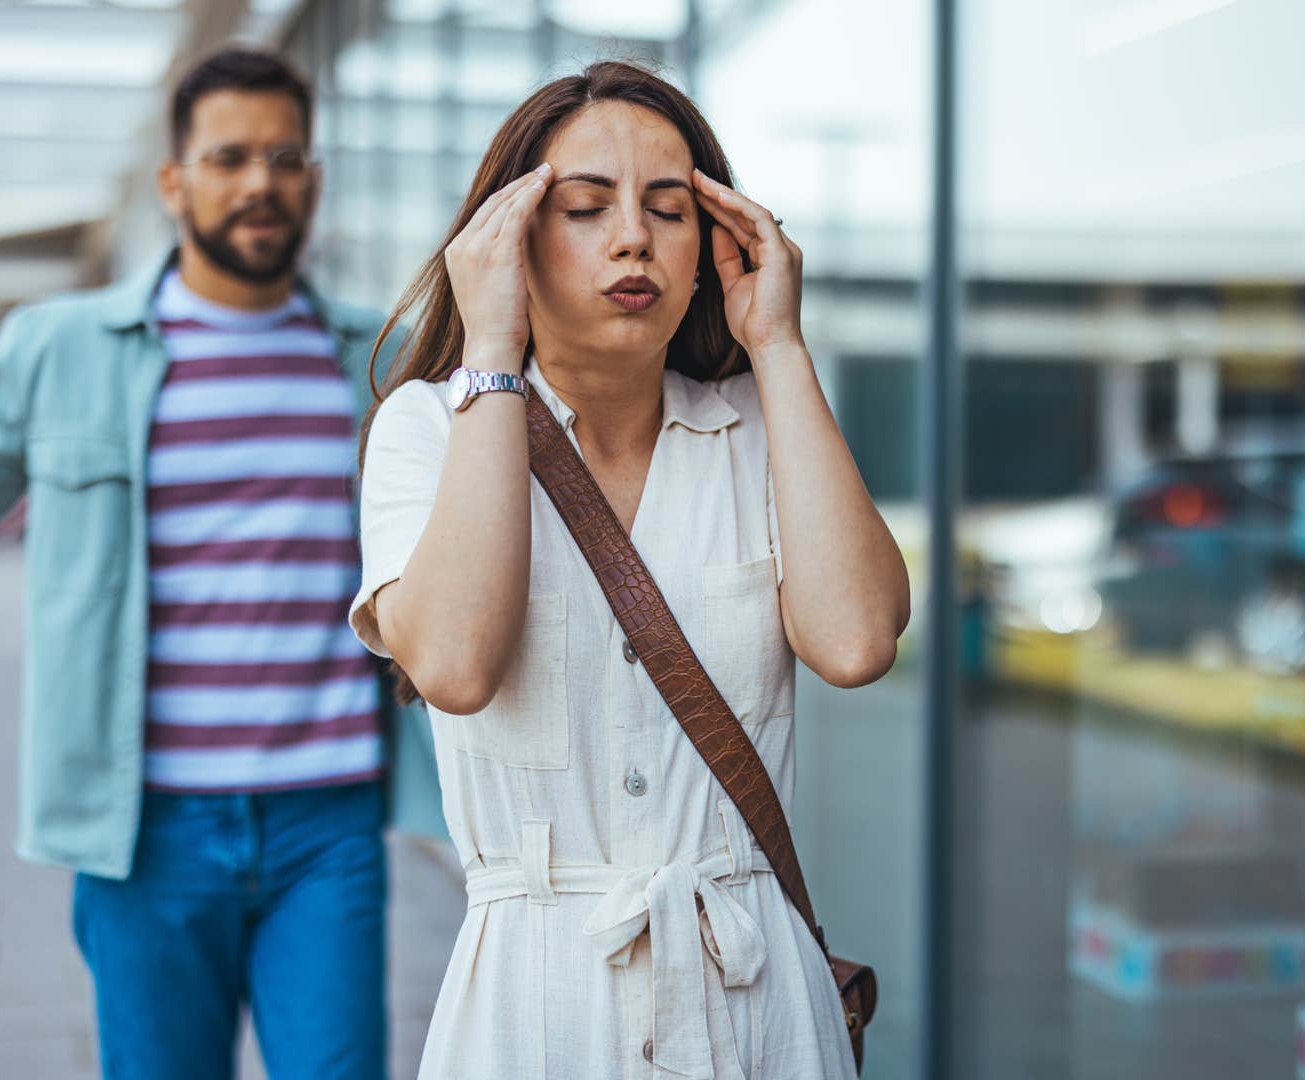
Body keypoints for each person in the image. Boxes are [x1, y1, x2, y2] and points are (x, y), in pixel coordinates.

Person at [0, 46, 446, 1080]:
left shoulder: (382, 358)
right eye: (229, 156)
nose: (260, 183)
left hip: (327, 825)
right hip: (145, 832)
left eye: (286, 157)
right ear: (174, 182)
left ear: (315, 180)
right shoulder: (61, 350)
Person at [349, 60, 910, 1078]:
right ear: (509, 237)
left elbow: (857, 639)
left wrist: (778, 344)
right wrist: (489, 348)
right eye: (584, 207)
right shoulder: (430, 428)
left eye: (669, 208)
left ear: (713, 247)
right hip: (535, 1003)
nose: (633, 238)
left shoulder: (757, 434)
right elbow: (456, 666)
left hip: (758, 1005)